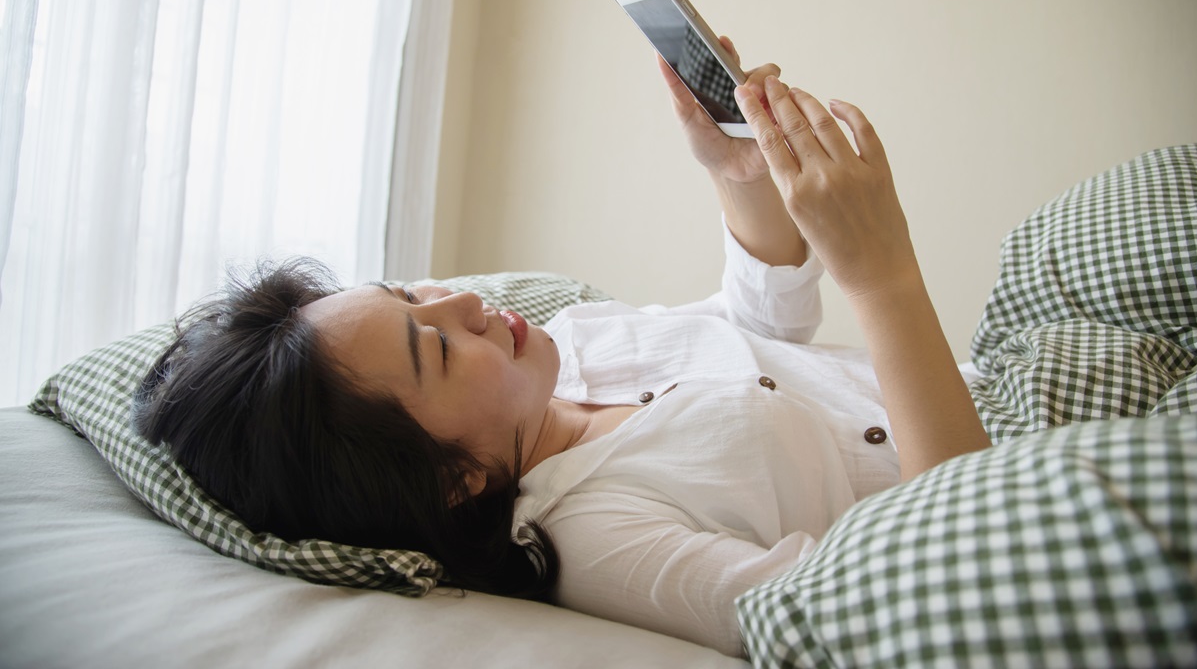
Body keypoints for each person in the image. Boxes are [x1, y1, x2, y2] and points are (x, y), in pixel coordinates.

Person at [133, 39, 991, 657]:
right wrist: (883, 280)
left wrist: (738, 176)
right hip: (1008, 476)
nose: (464, 302)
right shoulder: (597, 539)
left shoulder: (575, 347)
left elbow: (757, 324)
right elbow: (906, 602)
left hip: (1005, 377)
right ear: (451, 478)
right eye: (435, 348)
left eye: (412, 294)